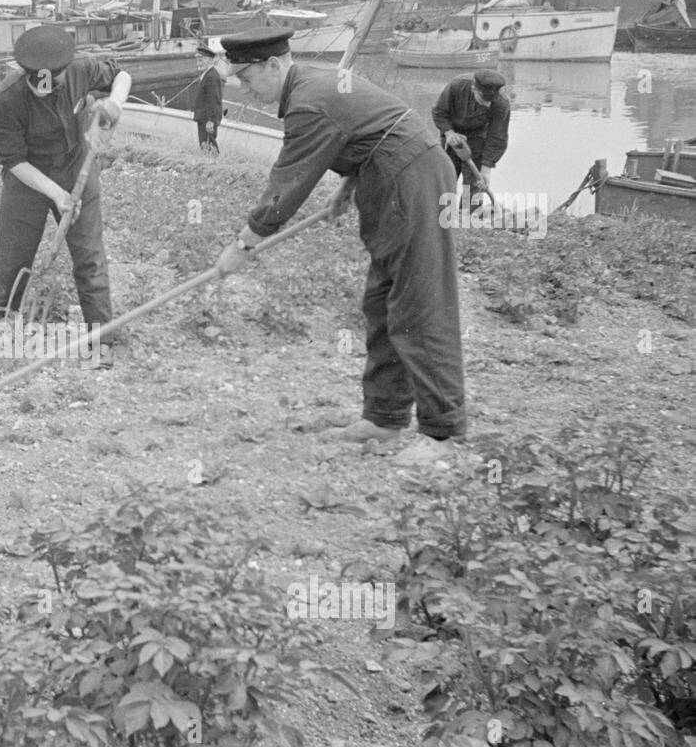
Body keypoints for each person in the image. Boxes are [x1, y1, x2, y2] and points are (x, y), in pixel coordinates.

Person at [212, 27, 466, 465]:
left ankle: (442, 433)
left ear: (272, 65)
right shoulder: (313, 85)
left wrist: (243, 245)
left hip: (412, 180)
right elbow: (368, 128)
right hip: (387, 176)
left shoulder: (308, 102)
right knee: (382, 301)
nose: (244, 88)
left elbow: (287, 184)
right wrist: (347, 186)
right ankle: (384, 418)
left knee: (418, 304)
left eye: (247, 78)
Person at [0, 25, 131, 348]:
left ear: (64, 71)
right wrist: (56, 194)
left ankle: (100, 343)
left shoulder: (81, 69)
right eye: (38, 85)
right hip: (28, 180)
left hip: (77, 167)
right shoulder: (7, 99)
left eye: (54, 83)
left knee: (90, 257)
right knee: (13, 259)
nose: (46, 89)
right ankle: (1, 329)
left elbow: (122, 75)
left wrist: (114, 104)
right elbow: (13, 160)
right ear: (27, 75)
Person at [432, 69, 510, 214]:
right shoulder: (456, 86)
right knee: (445, 180)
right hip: (452, 137)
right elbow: (439, 112)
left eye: (490, 101)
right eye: (483, 99)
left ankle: (468, 218)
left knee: (473, 187)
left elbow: (497, 137)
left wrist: (486, 171)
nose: (487, 104)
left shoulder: (501, 103)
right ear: (474, 88)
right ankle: (440, 218)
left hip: (478, 139)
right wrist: (449, 133)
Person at [193, 43, 226, 154]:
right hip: (204, 118)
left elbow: (214, 101)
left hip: (207, 119)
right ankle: (210, 161)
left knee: (209, 145)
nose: (198, 63)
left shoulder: (211, 76)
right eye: (197, 60)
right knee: (205, 145)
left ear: (209, 61)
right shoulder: (207, 75)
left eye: (200, 60)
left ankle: (214, 162)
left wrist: (211, 121)